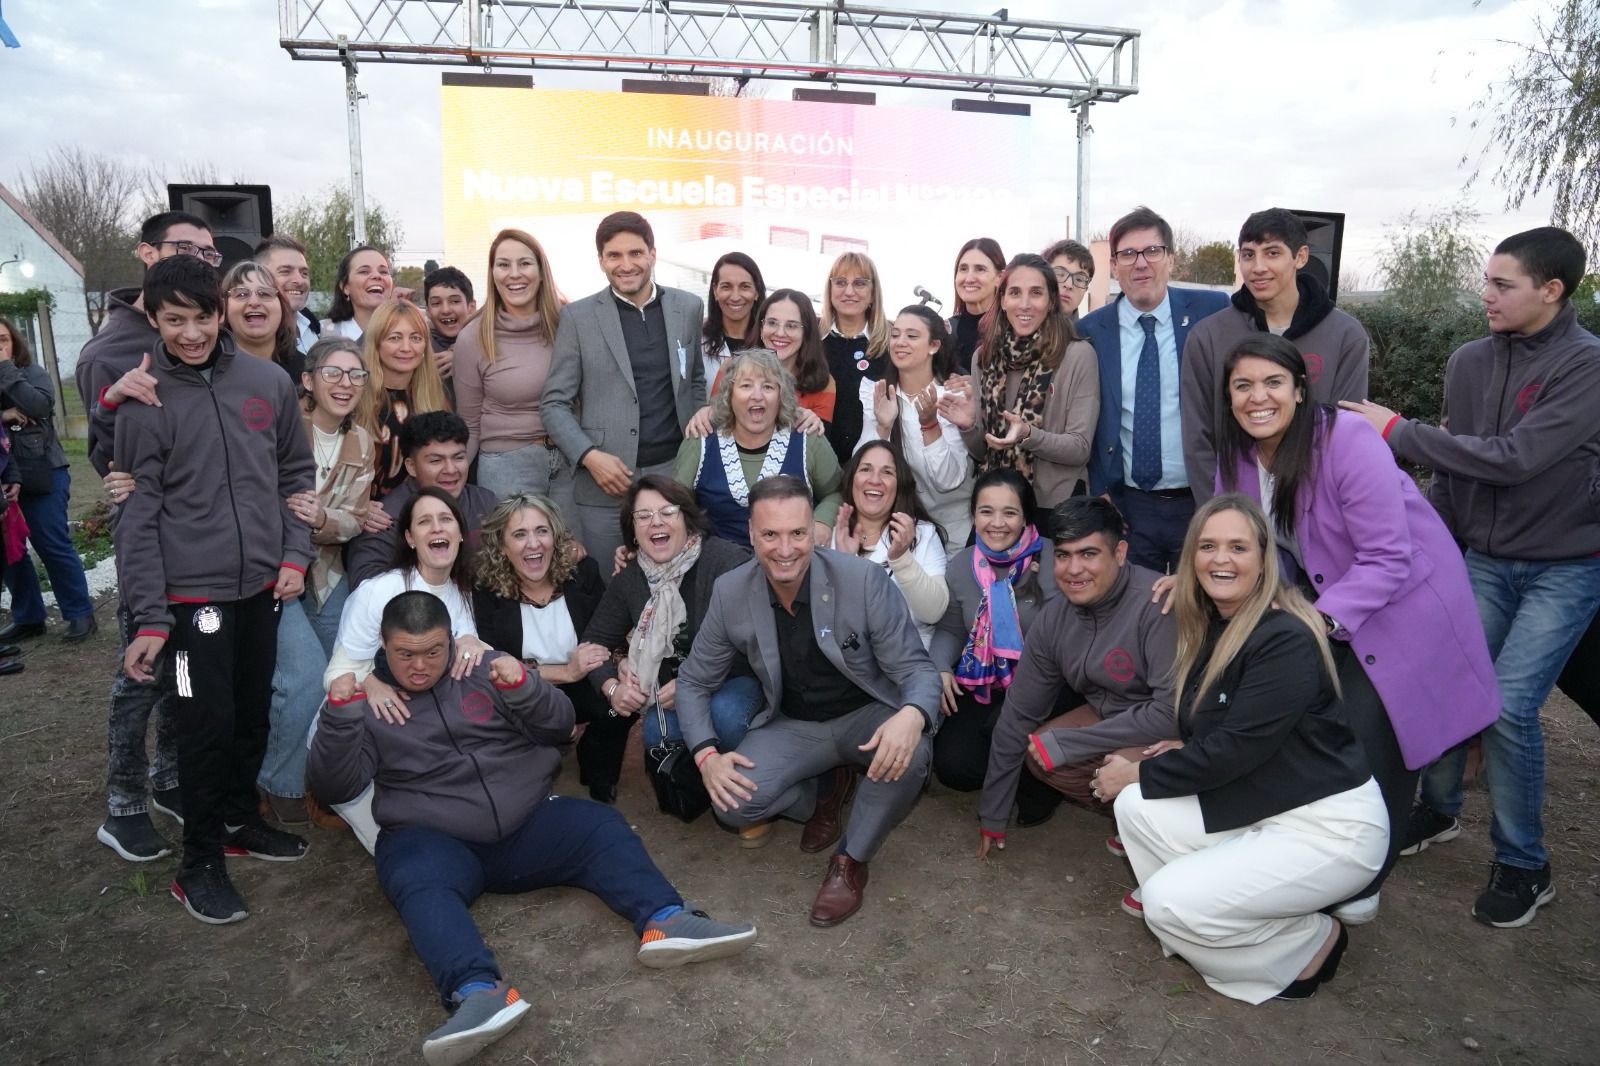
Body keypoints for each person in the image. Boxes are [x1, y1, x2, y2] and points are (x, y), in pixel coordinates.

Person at [307, 590, 758, 1066]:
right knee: (409, 873)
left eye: (433, 651)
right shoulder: (364, 700)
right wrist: (340, 716)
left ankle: (666, 920)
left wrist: (524, 683)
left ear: (451, 640)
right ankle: (478, 992)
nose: (420, 666)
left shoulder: (481, 668)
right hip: (437, 842)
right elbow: (335, 785)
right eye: (405, 654)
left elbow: (560, 725)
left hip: (525, 823)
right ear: (383, 643)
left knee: (599, 825)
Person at [1342, 226, 1600, 928]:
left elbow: (1515, 459)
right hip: (1481, 558)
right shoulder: (1469, 360)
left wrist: (1397, 431)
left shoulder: (1586, 365)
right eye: (1487, 281)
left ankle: (1524, 863)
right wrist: (1429, 545)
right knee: (1449, 683)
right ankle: (1439, 808)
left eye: (1502, 284)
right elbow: (1455, 465)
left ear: (1551, 290)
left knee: (1509, 706)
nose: (1486, 294)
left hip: (1565, 567)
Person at [1212, 334, 1498, 924]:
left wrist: (1313, 620)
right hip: (1326, 602)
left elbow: (1389, 557)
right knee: (1311, 728)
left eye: (1272, 382)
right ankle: (1313, 849)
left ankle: (1365, 877)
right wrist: (1193, 578)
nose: (1257, 397)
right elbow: (1235, 539)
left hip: (1401, 605)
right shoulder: (1237, 453)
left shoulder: (1346, 440)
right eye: (1243, 386)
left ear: (1299, 389)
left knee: (1373, 740)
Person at [1096, 494, 1388, 1004]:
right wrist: (1181, 747)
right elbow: (1233, 727)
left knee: (1165, 901)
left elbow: (1234, 749)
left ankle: (1306, 942)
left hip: (1330, 827)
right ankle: (1222, 914)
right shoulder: (1215, 623)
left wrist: (1137, 770)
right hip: (1264, 799)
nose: (1221, 559)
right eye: (1208, 546)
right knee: (1137, 809)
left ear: (1263, 558)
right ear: (1191, 557)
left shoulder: (1284, 637)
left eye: (1238, 547)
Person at [110, 255, 316, 922]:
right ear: (154, 318)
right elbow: (136, 516)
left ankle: (235, 819)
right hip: (189, 603)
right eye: (175, 320)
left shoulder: (267, 381)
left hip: (262, 589)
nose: (192, 333)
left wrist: (294, 554)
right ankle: (197, 862)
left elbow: (296, 473)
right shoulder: (143, 404)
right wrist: (149, 617)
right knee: (204, 725)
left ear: (220, 311)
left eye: (203, 317)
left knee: (251, 713)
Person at [676, 475, 942, 926]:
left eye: (797, 533)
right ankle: (823, 790)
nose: (785, 549)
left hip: (866, 714)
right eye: (770, 534)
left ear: (813, 531)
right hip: (794, 722)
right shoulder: (730, 591)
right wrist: (706, 756)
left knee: (911, 750)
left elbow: (917, 669)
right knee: (730, 805)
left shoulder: (862, 579)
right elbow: (693, 681)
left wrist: (913, 715)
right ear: (751, 533)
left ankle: (850, 859)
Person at [78, 209, 217, 862]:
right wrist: (110, 409)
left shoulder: (202, 337)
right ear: (146, 252)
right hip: (148, 540)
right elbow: (107, 461)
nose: (197, 260)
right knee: (140, 669)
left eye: (208, 254)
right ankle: (123, 802)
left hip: (198, 541)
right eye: (183, 248)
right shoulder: (111, 351)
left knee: (178, 673)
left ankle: (166, 777)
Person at [975, 496, 1176, 859]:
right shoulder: (1054, 619)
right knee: (1040, 751)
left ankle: (1154, 823)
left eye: (1088, 554)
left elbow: (1171, 712)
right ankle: (1126, 815)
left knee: (1106, 762)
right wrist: (993, 815)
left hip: (1177, 732)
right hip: (1110, 713)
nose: (1073, 569)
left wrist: (1075, 743)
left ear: (1119, 553)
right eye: (1063, 555)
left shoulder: (1157, 603)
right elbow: (1018, 715)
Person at [325, 487, 493, 852]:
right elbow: (335, 675)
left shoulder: (463, 594)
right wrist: (370, 683)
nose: (437, 528)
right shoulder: (377, 592)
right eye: (425, 522)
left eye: (446, 519)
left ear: (460, 534)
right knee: (397, 845)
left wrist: (474, 642)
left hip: (417, 737)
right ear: (410, 538)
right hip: (361, 738)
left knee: (449, 838)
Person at [582, 477, 762, 810]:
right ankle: (706, 788)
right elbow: (594, 641)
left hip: (735, 679)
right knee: (655, 731)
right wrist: (612, 688)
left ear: (687, 519)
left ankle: (754, 791)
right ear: (633, 530)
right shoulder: (632, 578)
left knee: (724, 715)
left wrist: (695, 681)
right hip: (673, 696)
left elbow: (755, 643)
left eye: (667, 512)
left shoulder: (725, 561)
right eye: (644, 516)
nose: (656, 522)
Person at [542, 211, 707, 565]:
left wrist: (694, 453)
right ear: (601, 260)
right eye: (614, 255)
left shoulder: (688, 307)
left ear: (652, 254)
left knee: (673, 579)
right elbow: (554, 404)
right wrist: (589, 456)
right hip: (605, 483)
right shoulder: (578, 317)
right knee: (611, 585)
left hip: (673, 474)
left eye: (635, 253)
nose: (626, 264)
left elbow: (694, 381)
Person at [1078, 206, 1230, 572]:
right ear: (1114, 265)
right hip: (1128, 506)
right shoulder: (1090, 331)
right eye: (1128, 254)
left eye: (1152, 251)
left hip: (1202, 498)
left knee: (1203, 599)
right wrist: (1100, 489)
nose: (1141, 263)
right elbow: (1085, 414)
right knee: (1136, 601)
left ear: (1171, 258)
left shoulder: (1213, 312)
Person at [1181, 208, 1370, 502]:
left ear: (1300, 256)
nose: (1258, 267)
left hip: (1318, 507)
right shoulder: (1208, 337)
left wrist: (1323, 511)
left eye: (1272, 253)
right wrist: (1221, 513)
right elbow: (1197, 439)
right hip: (1236, 508)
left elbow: (1346, 435)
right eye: (1248, 255)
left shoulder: (1346, 335)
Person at [470, 493, 633, 804]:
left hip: (586, 682)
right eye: (519, 534)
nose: (533, 543)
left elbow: (607, 634)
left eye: (541, 531)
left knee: (619, 707)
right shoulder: (488, 591)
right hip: (527, 690)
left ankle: (598, 767)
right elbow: (496, 664)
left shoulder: (582, 573)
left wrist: (620, 666)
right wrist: (565, 672)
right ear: (502, 546)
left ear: (556, 537)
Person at [947, 253, 1099, 531]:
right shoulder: (985, 358)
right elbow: (983, 450)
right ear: (1003, 300)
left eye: (1036, 293)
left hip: (1057, 507)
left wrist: (1028, 435)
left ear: (1051, 301)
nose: (1025, 304)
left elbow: (1079, 448)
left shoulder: (1077, 355)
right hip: (998, 505)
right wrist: (969, 427)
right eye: (1015, 293)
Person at [929, 470, 1050, 802]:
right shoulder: (962, 564)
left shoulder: (1054, 560)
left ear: (1026, 517)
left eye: (1009, 512)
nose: (997, 523)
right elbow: (951, 628)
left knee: (1006, 733)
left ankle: (1035, 780)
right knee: (954, 767)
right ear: (973, 515)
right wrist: (940, 666)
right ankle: (1010, 766)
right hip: (985, 681)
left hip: (1043, 686)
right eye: (986, 511)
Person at [672, 348, 841, 548]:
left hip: (791, 557)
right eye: (746, 386)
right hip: (719, 561)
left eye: (768, 387)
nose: (757, 395)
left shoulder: (807, 437)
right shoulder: (701, 440)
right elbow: (674, 504)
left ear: (781, 395)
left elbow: (836, 491)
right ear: (729, 395)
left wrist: (822, 522)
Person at [452, 229, 570, 508]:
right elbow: (469, 424)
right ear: (492, 274)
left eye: (524, 263)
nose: (514, 274)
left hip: (570, 463)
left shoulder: (569, 325)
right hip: (507, 467)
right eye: (503, 265)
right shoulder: (473, 338)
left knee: (572, 538)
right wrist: (451, 482)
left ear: (541, 272)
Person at [0, 318, 96, 643]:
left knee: (51, 541)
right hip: (3, 474)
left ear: (14, 342)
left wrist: (5, 369)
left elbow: (40, 405)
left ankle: (80, 613)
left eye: (3, 339)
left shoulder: (31, 372)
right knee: (9, 548)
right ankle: (29, 618)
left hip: (43, 469)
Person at [856, 305, 974, 549]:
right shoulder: (877, 393)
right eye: (895, 334)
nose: (900, 342)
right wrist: (883, 427)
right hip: (897, 528)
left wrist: (929, 425)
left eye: (912, 336)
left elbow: (948, 481)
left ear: (934, 345)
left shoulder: (953, 397)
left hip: (956, 530)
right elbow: (861, 469)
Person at [346, 411, 497, 587]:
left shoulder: (485, 502)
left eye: (458, 458)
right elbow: (365, 584)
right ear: (411, 466)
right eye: (436, 461)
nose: (450, 469)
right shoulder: (385, 517)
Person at [831, 440, 948, 648]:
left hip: (910, 657)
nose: (875, 480)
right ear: (851, 479)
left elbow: (934, 613)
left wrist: (902, 559)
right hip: (849, 660)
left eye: (887, 472)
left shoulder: (923, 533)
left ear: (899, 485)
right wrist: (846, 565)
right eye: (866, 469)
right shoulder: (833, 533)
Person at [361, 298, 453, 499]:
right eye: (394, 338)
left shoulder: (437, 399)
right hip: (366, 511)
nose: (406, 347)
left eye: (416, 338)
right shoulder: (356, 399)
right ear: (376, 343)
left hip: (424, 509)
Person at [820, 251, 890, 465]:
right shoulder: (812, 339)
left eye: (859, 283)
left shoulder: (891, 342)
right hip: (816, 463)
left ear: (873, 292)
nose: (849, 291)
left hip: (870, 466)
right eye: (840, 282)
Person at [754, 288, 835, 424]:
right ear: (761, 327)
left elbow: (820, 436)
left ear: (806, 333)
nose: (780, 333)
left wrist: (813, 424)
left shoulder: (823, 382)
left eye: (791, 326)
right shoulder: (733, 369)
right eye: (772, 323)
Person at [221, 259, 303, 381]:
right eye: (242, 294)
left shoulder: (307, 371)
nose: (254, 302)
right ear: (223, 307)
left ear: (282, 306)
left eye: (265, 293)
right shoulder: (208, 373)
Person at [702, 251, 765, 384]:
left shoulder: (769, 341)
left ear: (757, 292)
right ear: (715, 291)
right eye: (726, 287)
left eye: (745, 287)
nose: (735, 297)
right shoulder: (696, 341)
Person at [947, 238, 1005, 374]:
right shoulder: (945, 332)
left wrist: (977, 383)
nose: (969, 278)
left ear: (1000, 278)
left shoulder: (1014, 330)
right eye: (963, 269)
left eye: (980, 269)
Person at [255, 235, 319, 354]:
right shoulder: (255, 336)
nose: (299, 281)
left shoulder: (313, 325)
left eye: (304, 273)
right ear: (259, 276)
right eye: (285, 271)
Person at [325, 245, 395, 341]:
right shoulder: (324, 333)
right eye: (364, 272)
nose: (377, 276)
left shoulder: (409, 331)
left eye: (383, 272)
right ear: (345, 287)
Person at [422, 265, 477, 378]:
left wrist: (463, 356)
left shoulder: (491, 341)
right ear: (428, 310)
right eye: (436, 303)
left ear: (471, 307)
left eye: (455, 301)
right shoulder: (420, 347)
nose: (446, 310)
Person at [1042, 238, 1095, 321]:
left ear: (1086, 289)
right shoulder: (1021, 327)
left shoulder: (1090, 329)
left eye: (1079, 279)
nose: (1069, 285)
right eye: (1060, 274)